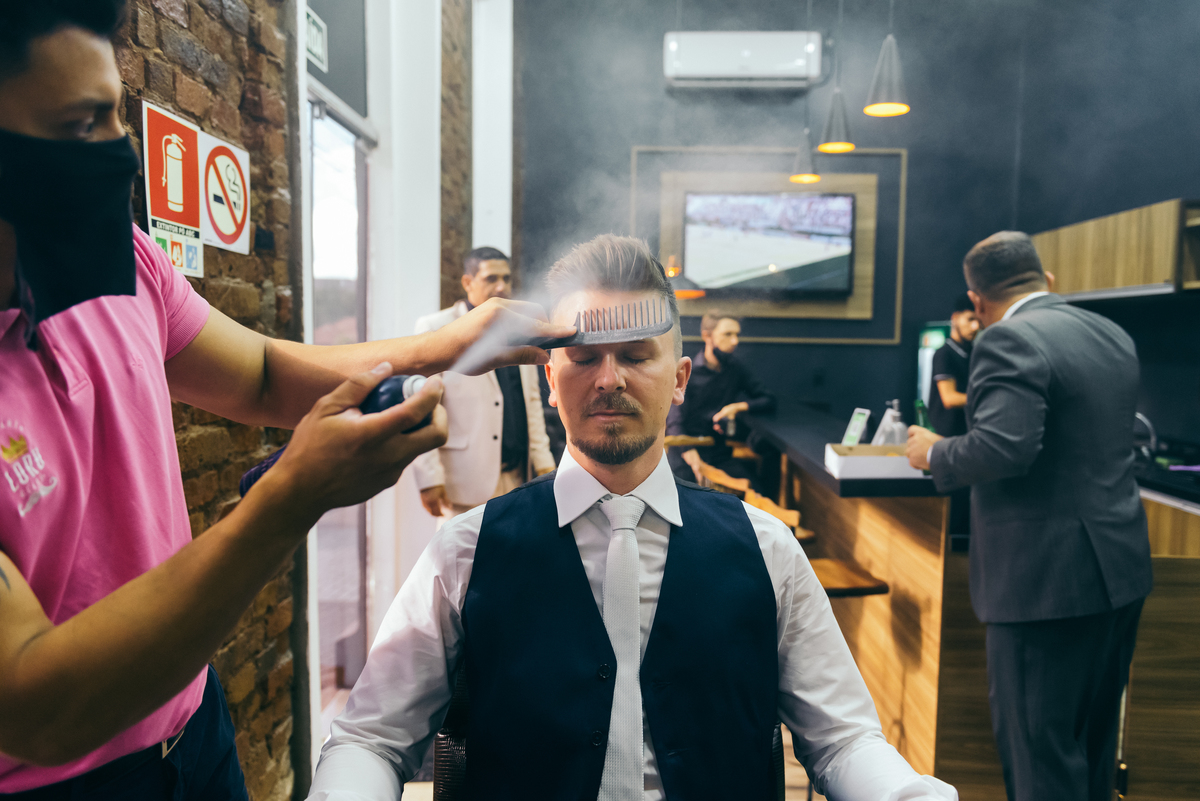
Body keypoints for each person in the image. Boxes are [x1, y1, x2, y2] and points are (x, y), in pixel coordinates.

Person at [0, 5, 573, 797]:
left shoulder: (123, 263)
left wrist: (447, 345)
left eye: (117, 114)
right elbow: (34, 705)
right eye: (80, 125)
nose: (122, 153)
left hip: (194, 729)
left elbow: (264, 373)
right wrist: (290, 497)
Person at [309, 235, 956, 801]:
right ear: (549, 377)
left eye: (637, 354)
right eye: (585, 356)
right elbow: (372, 739)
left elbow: (842, 739)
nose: (610, 379)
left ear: (679, 379)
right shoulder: (465, 550)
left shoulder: (768, 551)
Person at [905, 231, 1152, 801]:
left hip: (1045, 583)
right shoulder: (1108, 332)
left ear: (977, 301)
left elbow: (1002, 449)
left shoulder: (1007, 338)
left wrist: (935, 452)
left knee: (1040, 755)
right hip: (1119, 570)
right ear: (1048, 280)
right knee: (1091, 748)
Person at [413, 247, 556, 519]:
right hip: (465, 481)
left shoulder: (521, 328)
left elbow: (531, 400)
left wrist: (544, 463)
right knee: (463, 548)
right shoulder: (436, 326)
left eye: (506, 278)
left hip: (519, 477)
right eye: (491, 278)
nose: (501, 286)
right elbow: (422, 407)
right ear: (468, 282)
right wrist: (429, 478)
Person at [665, 311, 774, 490]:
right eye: (727, 334)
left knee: (755, 491)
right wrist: (693, 459)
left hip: (718, 453)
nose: (735, 341)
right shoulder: (688, 372)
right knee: (685, 496)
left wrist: (735, 407)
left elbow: (768, 399)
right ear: (707, 336)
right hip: (686, 451)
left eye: (737, 335)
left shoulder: (735, 369)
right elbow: (675, 423)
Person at [927, 294, 979, 437]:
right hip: (945, 437)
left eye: (978, 321)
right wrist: (988, 400)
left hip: (969, 434)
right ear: (955, 317)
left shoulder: (975, 353)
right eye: (970, 319)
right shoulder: (944, 354)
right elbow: (949, 398)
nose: (975, 326)